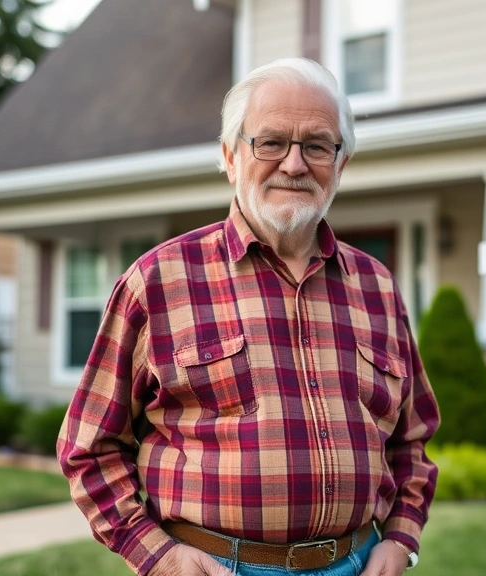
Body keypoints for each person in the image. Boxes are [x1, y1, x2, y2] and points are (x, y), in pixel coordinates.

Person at [57, 57, 440, 576]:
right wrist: (157, 555)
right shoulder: (159, 281)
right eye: (271, 142)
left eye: (317, 146)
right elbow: (89, 447)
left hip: (357, 562)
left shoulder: (377, 286)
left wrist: (400, 540)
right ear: (230, 156)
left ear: (341, 164)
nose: (295, 164)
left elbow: (411, 440)